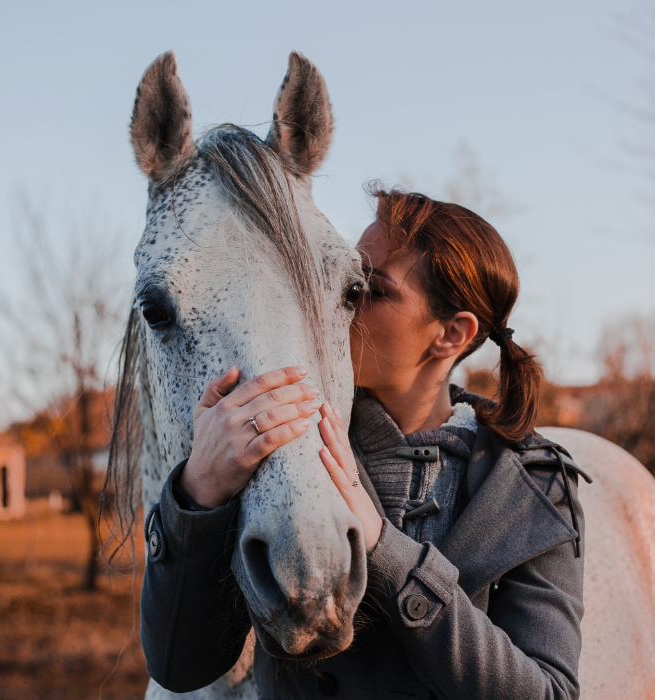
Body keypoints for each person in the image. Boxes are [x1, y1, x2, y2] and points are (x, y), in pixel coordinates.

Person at [141, 189, 590, 699]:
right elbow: (178, 668)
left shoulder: (533, 486)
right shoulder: (286, 452)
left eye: (368, 292)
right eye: (338, 284)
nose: (331, 309)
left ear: (450, 335)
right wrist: (200, 491)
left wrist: (386, 550)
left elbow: (550, 693)